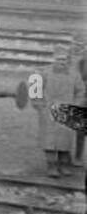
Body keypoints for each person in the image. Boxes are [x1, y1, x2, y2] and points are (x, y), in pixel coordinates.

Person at [34, 50, 86, 178]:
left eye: (64, 60)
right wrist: (40, 106)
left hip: (67, 110)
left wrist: (75, 105)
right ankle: (51, 166)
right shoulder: (44, 73)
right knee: (49, 139)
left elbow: (80, 92)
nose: (61, 62)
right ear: (53, 60)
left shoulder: (74, 75)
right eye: (59, 59)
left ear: (68, 61)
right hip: (48, 110)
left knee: (65, 139)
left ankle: (63, 165)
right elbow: (35, 89)